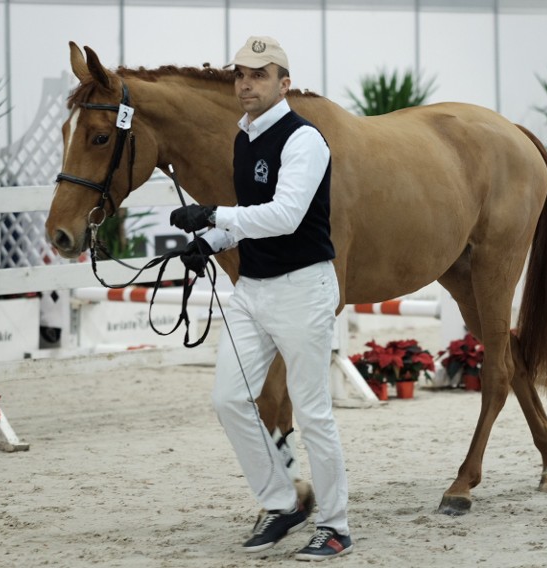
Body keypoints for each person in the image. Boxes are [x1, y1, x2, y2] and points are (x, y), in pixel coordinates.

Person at [169, 35, 353, 561]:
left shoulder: (304, 140)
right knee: (228, 399)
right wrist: (211, 241)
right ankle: (282, 502)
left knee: (314, 413)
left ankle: (336, 526)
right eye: (241, 75)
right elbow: (251, 221)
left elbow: (285, 216)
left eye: (259, 74)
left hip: (303, 290)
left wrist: (214, 215)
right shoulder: (243, 137)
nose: (246, 83)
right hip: (252, 289)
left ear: (284, 83)